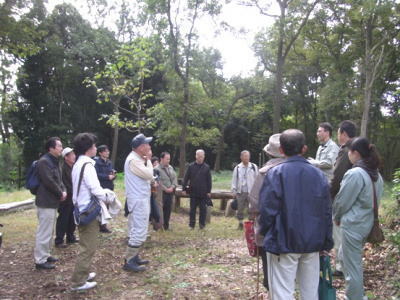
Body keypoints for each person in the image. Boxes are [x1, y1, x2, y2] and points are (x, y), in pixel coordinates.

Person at [259, 129, 333, 300]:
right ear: (304, 148)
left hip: (283, 241)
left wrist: (265, 233)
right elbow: (326, 212)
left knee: (282, 292)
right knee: (310, 292)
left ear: (282, 150)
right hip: (312, 243)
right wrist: (326, 242)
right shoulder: (319, 175)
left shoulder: (275, 173)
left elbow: (267, 210)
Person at [333, 137, 384, 300]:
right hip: (366, 223)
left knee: (352, 267)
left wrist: (337, 216)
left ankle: (355, 297)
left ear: (355, 153)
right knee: (345, 257)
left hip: (353, 225)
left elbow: (343, 200)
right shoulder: (376, 174)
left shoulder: (355, 173)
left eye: (349, 152)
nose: (348, 155)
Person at [70, 133, 108, 291]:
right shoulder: (88, 165)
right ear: (87, 149)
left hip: (81, 209)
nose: (95, 148)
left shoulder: (78, 163)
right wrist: (109, 196)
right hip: (88, 211)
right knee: (88, 247)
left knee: (87, 244)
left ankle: (83, 274)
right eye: (93, 146)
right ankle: (78, 282)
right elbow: (95, 189)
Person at [249, 134, 285, 291]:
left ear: (269, 153)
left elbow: (255, 200)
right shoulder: (303, 168)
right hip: (296, 232)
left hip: (269, 229)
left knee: (270, 270)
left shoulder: (265, 172)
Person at [34, 137, 66, 270]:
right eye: (59, 146)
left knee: (49, 230)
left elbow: (59, 179)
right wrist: (60, 193)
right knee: (44, 231)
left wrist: (63, 190)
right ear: (51, 148)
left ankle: (46, 254)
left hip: (52, 201)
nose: (61, 148)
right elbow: (48, 181)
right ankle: (40, 261)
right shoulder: (44, 162)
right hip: (45, 201)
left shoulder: (54, 161)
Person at [330, 120, 357, 276]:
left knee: (339, 233)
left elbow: (337, 177)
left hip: (342, 198)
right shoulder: (360, 149)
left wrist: (330, 194)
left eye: (339, 132)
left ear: (344, 134)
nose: (338, 136)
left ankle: (341, 266)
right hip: (355, 199)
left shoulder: (347, 150)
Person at [123, 133, 154, 272]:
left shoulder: (137, 158)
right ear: (141, 147)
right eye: (147, 144)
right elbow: (149, 175)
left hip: (141, 198)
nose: (149, 146)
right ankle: (129, 260)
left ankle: (134, 257)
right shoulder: (134, 160)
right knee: (139, 229)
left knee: (140, 228)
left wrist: (146, 160)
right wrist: (149, 160)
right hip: (138, 200)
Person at [183, 149, 212, 230]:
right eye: (199, 156)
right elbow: (186, 178)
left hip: (203, 193)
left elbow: (209, 180)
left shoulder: (207, 167)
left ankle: (202, 225)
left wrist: (209, 191)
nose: (200, 158)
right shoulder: (191, 166)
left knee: (203, 210)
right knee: (192, 210)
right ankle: (191, 225)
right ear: (196, 156)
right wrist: (184, 188)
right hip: (193, 192)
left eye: (202, 156)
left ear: (204, 157)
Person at [55, 147, 78, 248]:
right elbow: (64, 184)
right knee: (63, 219)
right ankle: (59, 240)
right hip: (65, 198)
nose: (74, 156)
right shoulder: (62, 168)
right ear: (66, 157)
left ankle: (70, 237)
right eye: (71, 155)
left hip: (73, 198)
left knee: (72, 218)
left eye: (74, 154)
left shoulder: (74, 167)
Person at [231, 150, 258, 230]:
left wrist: (257, 190)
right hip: (241, 191)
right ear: (241, 157)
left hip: (251, 191)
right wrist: (234, 191)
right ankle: (240, 223)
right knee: (240, 208)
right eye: (245, 156)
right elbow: (234, 180)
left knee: (252, 208)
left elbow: (257, 179)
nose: (247, 158)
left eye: (248, 156)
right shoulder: (238, 168)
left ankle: (251, 224)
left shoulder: (254, 167)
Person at [94, 145, 116, 233]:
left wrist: (113, 175)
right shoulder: (96, 162)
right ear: (100, 153)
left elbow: (111, 172)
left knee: (106, 207)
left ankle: (103, 226)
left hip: (109, 187)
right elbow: (96, 175)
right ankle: (98, 225)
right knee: (99, 207)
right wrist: (107, 176)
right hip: (101, 187)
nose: (108, 152)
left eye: (108, 151)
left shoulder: (109, 162)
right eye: (105, 151)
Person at [156, 152, 178, 230]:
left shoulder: (170, 168)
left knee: (168, 209)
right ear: (161, 159)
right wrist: (165, 189)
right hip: (161, 193)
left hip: (170, 192)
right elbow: (158, 181)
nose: (168, 160)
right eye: (167, 159)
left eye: (169, 159)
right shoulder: (156, 169)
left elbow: (174, 178)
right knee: (161, 210)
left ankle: (166, 226)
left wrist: (172, 187)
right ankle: (159, 225)